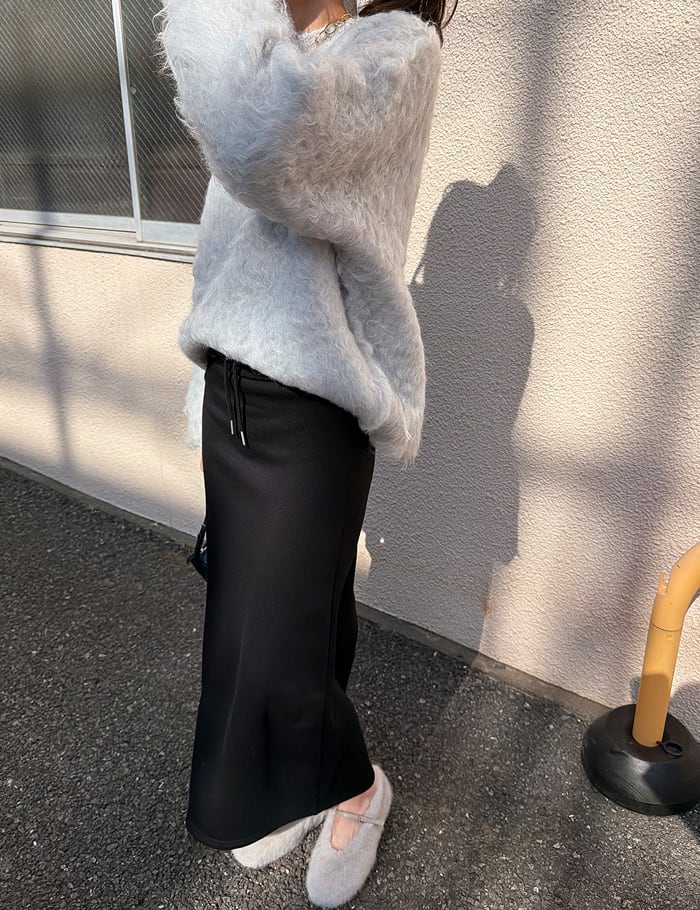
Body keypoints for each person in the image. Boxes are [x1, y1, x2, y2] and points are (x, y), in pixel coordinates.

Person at [158, 0, 456, 905]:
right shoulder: (287, 54)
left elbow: (258, 135)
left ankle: (357, 787)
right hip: (237, 393)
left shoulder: (396, 47)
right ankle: (300, 787)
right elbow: (228, 245)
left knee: (265, 649)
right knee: (301, 621)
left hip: (309, 405)